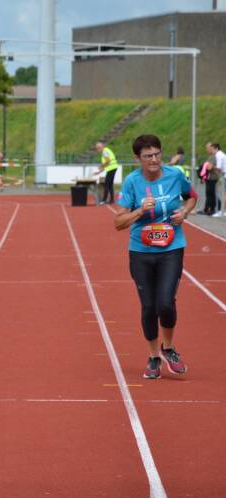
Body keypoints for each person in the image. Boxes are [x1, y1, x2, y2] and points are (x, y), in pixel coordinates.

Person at [113, 134, 197, 379]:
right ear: (137, 158)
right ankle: (153, 357)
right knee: (149, 306)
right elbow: (118, 222)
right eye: (148, 156)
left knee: (166, 303)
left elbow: (192, 196)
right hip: (140, 252)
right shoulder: (131, 183)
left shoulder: (174, 175)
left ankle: (168, 348)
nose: (154, 160)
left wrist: (184, 212)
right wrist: (140, 210)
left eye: (157, 154)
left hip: (172, 248)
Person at [96, 140, 119, 205]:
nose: (98, 150)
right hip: (113, 168)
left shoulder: (104, 151)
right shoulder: (106, 150)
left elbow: (108, 161)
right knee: (110, 185)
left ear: (102, 147)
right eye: (97, 148)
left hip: (111, 168)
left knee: (107, 184)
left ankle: (104, 200)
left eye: (98, 148)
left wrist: (101, 166)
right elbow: (108, 163)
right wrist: (99, 171)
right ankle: (111, 200)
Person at [202, 143, 221, 216]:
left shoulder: (213, 157)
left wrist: (206, 166)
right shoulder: (210, 156)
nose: (207, 150)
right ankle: (208, 209)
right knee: (209, 194)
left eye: (208, 148)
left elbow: (209, 167)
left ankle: (213, 209)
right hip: (209, 177)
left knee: (212, 194)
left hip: (212, 178)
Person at [210, 142, 226, 217]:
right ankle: (223, 211)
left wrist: (211, 166)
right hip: (224, 175)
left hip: (224, 175)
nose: (211, 151)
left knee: (223, 194)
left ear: (216, 148)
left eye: (212, 149)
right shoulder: (221, 154)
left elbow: (219, 167)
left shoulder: (218, 155)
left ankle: (222, 211)